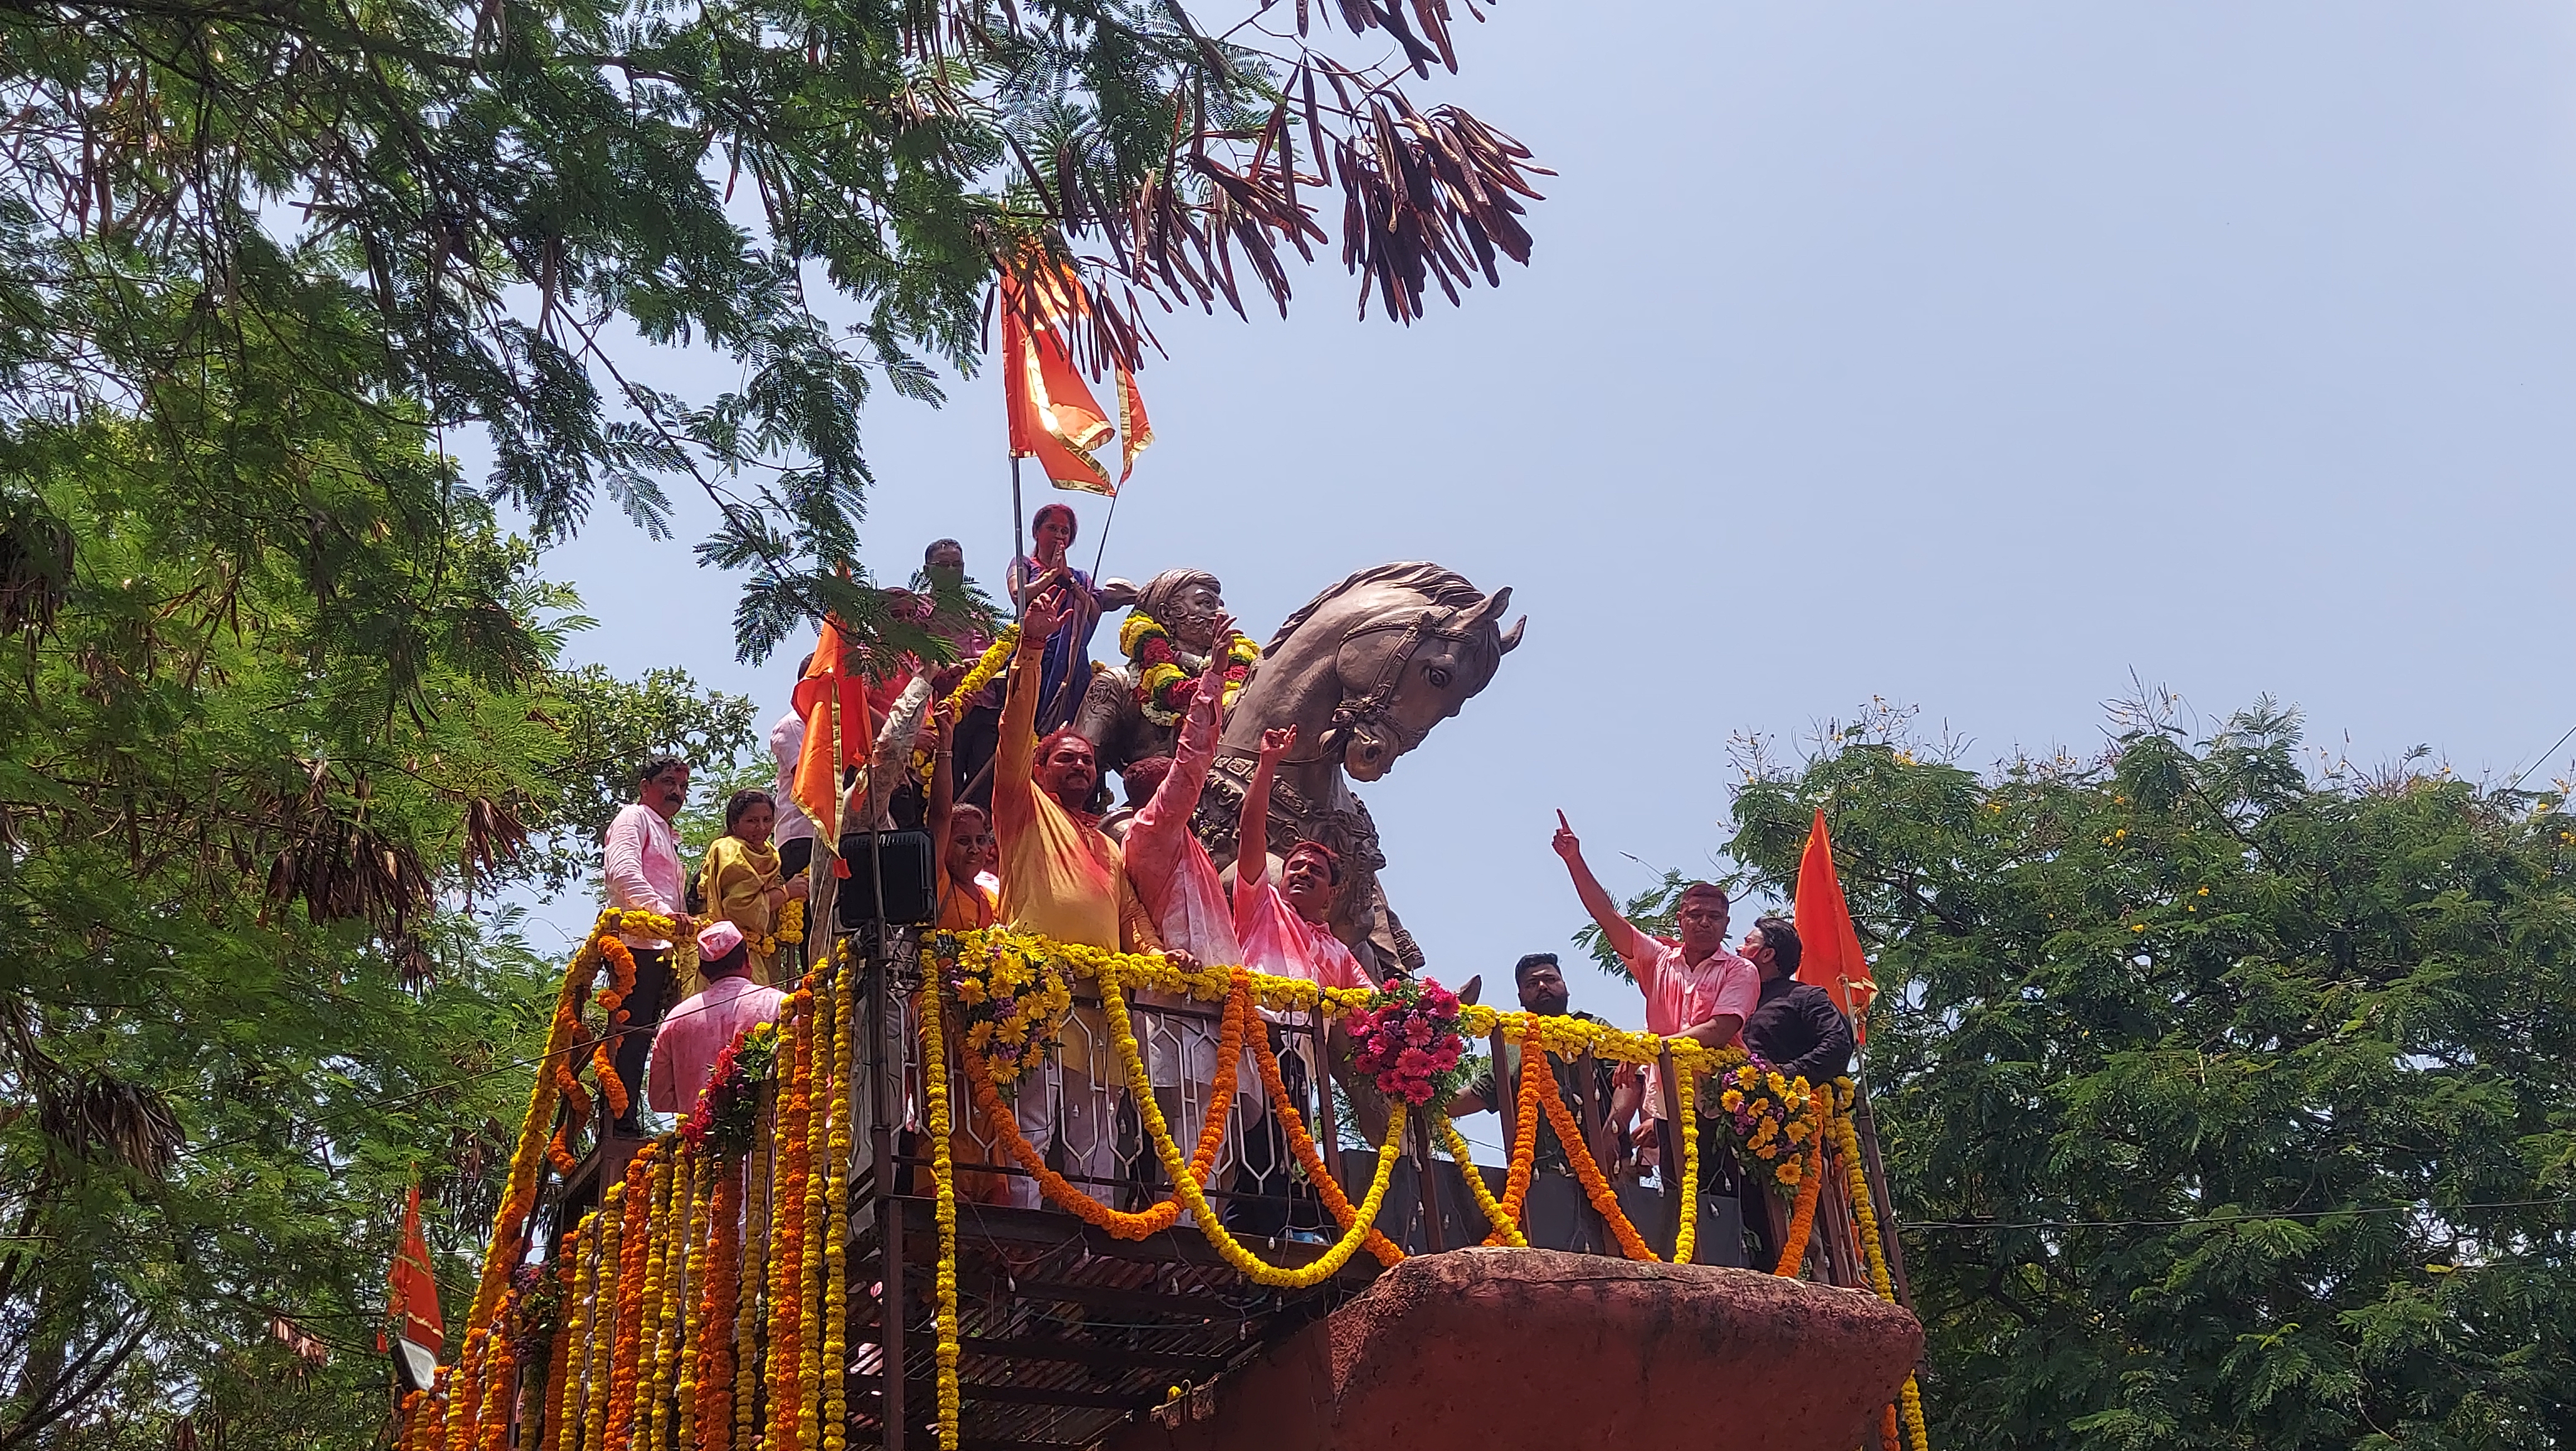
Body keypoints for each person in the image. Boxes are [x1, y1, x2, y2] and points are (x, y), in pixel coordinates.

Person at [993, 575, 1174, 1207]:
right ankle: (1025, 1243)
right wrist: (1033, 652)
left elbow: (1130, 917)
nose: (1078, 766)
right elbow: (1012, 737)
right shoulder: (1021, 809)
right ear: (1039, 772)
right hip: (1037, 993)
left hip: (1102, 1005)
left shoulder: (1106, 842)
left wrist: (1156, 957)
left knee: (1095, 1136)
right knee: (1032, 1125)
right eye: (1063, 759)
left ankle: (1090, 1239)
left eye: (1085, 761)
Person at [1228, 723, 1378, 1236]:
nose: (1302, 874)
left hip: (1296, 1061)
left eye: (1315, 872)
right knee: (1245, 1144)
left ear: (1332, 896)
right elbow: (1250, 835)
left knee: (1282, 1147)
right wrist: (1267, 765)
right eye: (1295, 866)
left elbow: (1375, 1008)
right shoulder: (1259, 905)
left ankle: (1274, 1225)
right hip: (1244, 1043)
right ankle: (1247, 1222)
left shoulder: (1337, 953)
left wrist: (1430, 1018)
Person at [1552, 811, 1757, 1172]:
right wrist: (1574, 860)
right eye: (1695, 915)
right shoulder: (1658, 960)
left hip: (1724, 1101)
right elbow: (1608, 917)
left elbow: (1721, 1029)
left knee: (1725, 1200)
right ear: (1680, 920)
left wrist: (1651, 1049)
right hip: (1668, 1101)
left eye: (1714, 916)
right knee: (1678, 1192)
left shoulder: (1740, 969)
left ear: (1726, 924)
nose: (1704, 922)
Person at [1448, 953, 1623, 1177]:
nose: (1542, 986)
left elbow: (1628, 1082)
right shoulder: (1512, 1044)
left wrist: (1610, 1135)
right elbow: (1477, 1095)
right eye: (1532, 984)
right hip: (1540, 1181)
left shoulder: (1593, 1027)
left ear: (1566, 987)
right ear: (1521, 998)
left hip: (1607, 1170)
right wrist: (1419, 1098)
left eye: (1550, 980)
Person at [1074, 567, 1242, 780]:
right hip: (1149, 807)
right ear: (1166, 614)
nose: (1221, 614)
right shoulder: (1119, 683)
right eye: (1206, 604)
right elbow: (1080, 760)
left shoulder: (1244, 684)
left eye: (1220, 606)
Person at [603, 757, 696, 1132]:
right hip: (635, 943)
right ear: (645, 787)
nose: (677, 792)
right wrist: (661, 914)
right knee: (630, 1036)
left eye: (683, 787)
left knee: (648, 1038)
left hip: (662, 948)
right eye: (668, 783)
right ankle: (619, 1120)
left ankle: (629, 1118)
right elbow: (623, 872)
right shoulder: (633, 819)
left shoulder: (667, 834)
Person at [1004, 505, 1134, 734]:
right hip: (1032, 655)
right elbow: (1019, 595)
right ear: (1036, 532)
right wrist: (1052, 576)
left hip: (1070, 661)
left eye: (1064, 531)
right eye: (1052, 528)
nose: (1058, 536)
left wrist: (1069, 580)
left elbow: (1094, 612)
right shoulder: (1024, 563)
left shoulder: (1080, 577)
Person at [645, 920, 788, 1117]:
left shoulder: (676, 1018)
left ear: (703, 971)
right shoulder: (780, 1004)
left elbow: (660, 1099)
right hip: (769, 1143)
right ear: (748, 961)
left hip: (698, 1143)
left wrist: (701, 1099)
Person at [697, 788, 806, 987]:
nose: (762, 827)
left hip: (760, 951)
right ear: (734, 824)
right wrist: (787, 893)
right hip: (729, 954)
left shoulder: (770, 852)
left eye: (767, 819)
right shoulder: (730, 850)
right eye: (752, 821)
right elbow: (740, 909)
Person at [1736, 917, 1855, 1088]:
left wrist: (1786, 1073)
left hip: (1792, 1108)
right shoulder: (1733, 998)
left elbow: (1838, 1046)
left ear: (1767, 954)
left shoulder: (1807, 997)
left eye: (1748, 943)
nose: (1739, 949)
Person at [768, 671, 818, 883]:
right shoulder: (792, 725)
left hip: (835, 839)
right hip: (802, 837)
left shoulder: (837, 725)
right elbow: (810, 780)